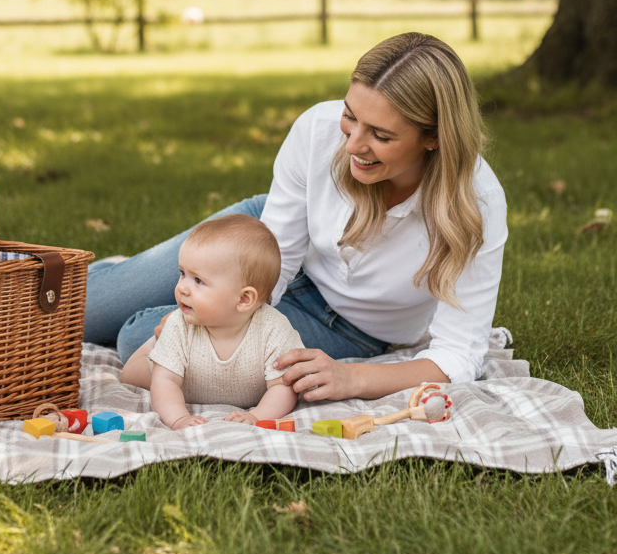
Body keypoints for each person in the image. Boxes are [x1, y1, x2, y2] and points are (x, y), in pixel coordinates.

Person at [84, 32, 508, 401]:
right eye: (350, 117)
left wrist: (354, 376)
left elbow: (458, 354)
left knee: (138, 340)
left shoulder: (476, 205)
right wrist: (221, 313)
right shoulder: (317, 130)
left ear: (432, 138)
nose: (352, 145)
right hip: (266, 245)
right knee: (89, 310)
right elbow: (278, 253)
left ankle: (140, 283)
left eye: (380, 135)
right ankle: (111, 278)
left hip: (350, 327)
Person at [120, 213, 303, 429]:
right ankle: (155, 346)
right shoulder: (180, 325)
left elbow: (283, 388)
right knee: (130, 375)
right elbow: (165, 382)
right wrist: (178, 418)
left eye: (198, 280)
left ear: (244, 299)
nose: (182, 288)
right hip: (178, 374)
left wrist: (257, 415)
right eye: (182, 273)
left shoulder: (274, 329)